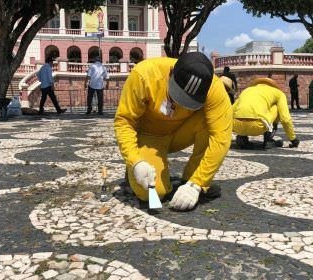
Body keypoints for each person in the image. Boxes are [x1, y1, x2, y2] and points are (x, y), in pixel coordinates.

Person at [114, 52, 232, 211]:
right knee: (150, 193)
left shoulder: (214, 87)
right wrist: (135, 161)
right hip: (149, 136)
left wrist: (197, 184)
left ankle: (188, 181)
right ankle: (135, 172)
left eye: (190, 102)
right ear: (170, 74)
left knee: (211, 123)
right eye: (176, 95)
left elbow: (221, 137)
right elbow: (125, 121)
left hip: (181, 133)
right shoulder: (144, 75)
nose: (179, 104)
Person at [233, 77, 300, 150]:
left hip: (236, 126)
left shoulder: (246, 90)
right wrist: (293, 139)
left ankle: (242, 138)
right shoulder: (278, 93)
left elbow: (231, 110)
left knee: (242, 109)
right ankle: (268, 139)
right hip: (258, 126)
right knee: (276, 107)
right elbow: (285, 119)